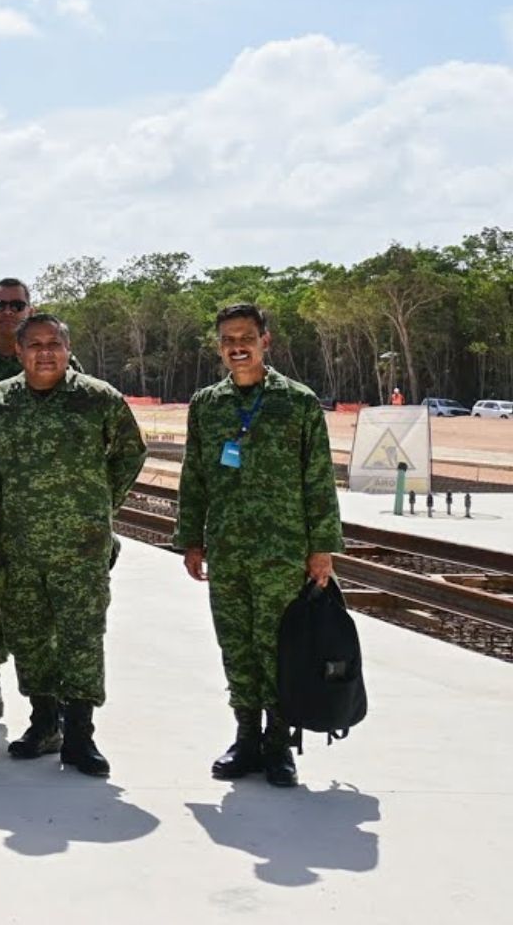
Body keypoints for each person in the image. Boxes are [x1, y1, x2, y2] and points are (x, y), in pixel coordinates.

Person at [0, 313, 147, 777]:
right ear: (20, 350)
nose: (44, 353)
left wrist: (102, 503)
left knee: (82, 639)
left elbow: (131, 450)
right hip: (20, 544)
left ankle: (81, 734)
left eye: (54, 344)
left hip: (81, 545)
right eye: (34, 345)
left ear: (68, 350)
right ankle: (44, 722)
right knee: (29, 638)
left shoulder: (96, 398)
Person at [175, 303, 343, 788]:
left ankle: (279, 743)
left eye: (246, 336)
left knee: (279, 647)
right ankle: (246, 736)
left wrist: (322, 548)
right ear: (219, 346)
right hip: (228, 550)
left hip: (283, 551)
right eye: (228, 339)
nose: (237, 346)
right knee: (236, 646)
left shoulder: (297, 402)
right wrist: (191, 538)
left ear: (265, 341)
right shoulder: (207, 405)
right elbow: (196, 477)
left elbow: (318, 480)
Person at [0, 276, 75, 721]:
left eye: (16, 305)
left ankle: (51, 704)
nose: (8, 312)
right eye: (0, 305)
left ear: (29, 308)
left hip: (42, 510)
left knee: (42, 614)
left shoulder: (58, 360)